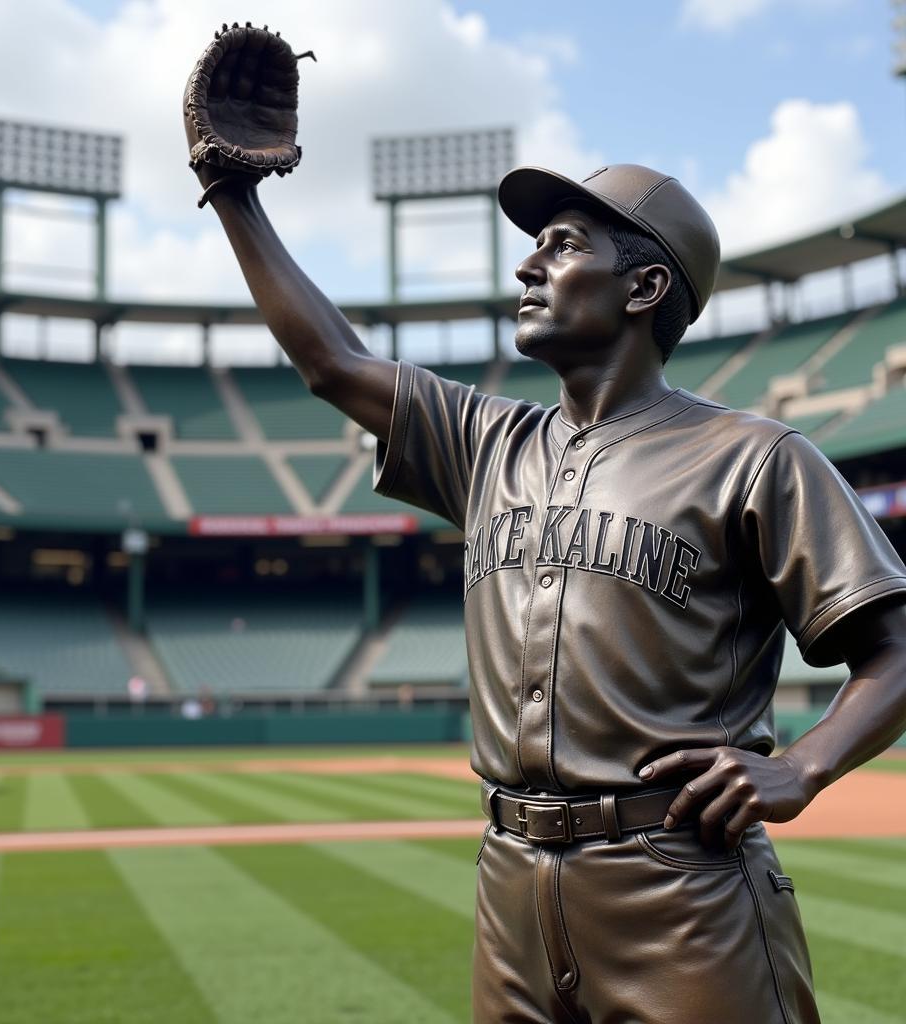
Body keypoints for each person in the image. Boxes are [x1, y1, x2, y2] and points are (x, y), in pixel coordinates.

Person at [192, 155, 906, 1023]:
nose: (527, 267)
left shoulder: (754, 456)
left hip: (679, 884)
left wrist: (804, 763)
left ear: (643, 288)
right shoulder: (488, 441)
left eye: (562, 246)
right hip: (511, 886)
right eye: (534, 246)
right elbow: (332, 362)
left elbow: (894, 647)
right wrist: (234, 196)